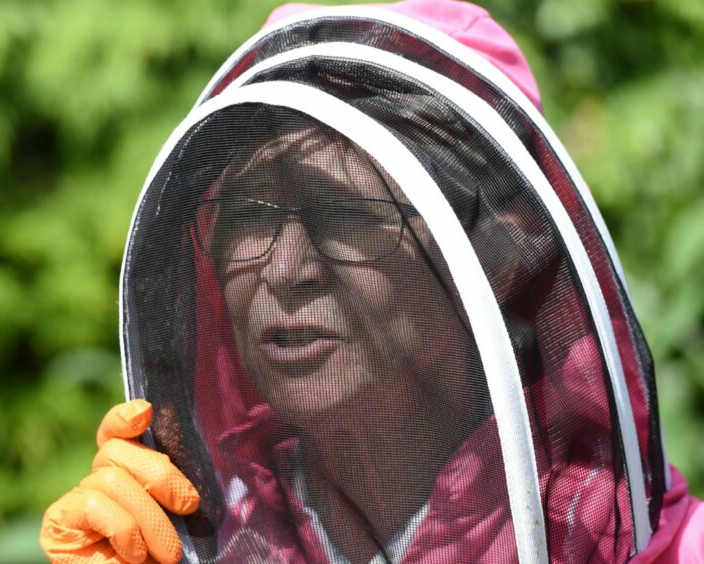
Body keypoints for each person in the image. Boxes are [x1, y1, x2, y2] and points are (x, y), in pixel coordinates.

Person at [40, 1, 704, 562]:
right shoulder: (201, 538)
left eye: (346, 213)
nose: (286, 270)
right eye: (247, 215)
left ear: (495, 253)